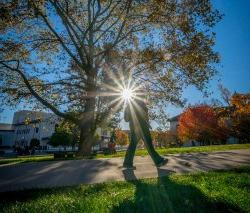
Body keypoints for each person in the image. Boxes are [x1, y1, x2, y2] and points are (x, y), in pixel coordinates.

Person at [123, 89, 167, 168]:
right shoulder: (138, 104)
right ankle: (158, 161)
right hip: (141, 127)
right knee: (148, 144)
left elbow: (127, 119)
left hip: (135, 127)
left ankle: (127, 163)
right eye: (143, 94)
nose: (144, 96)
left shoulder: (133, 104)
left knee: (133, 144)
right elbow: (128, 118)